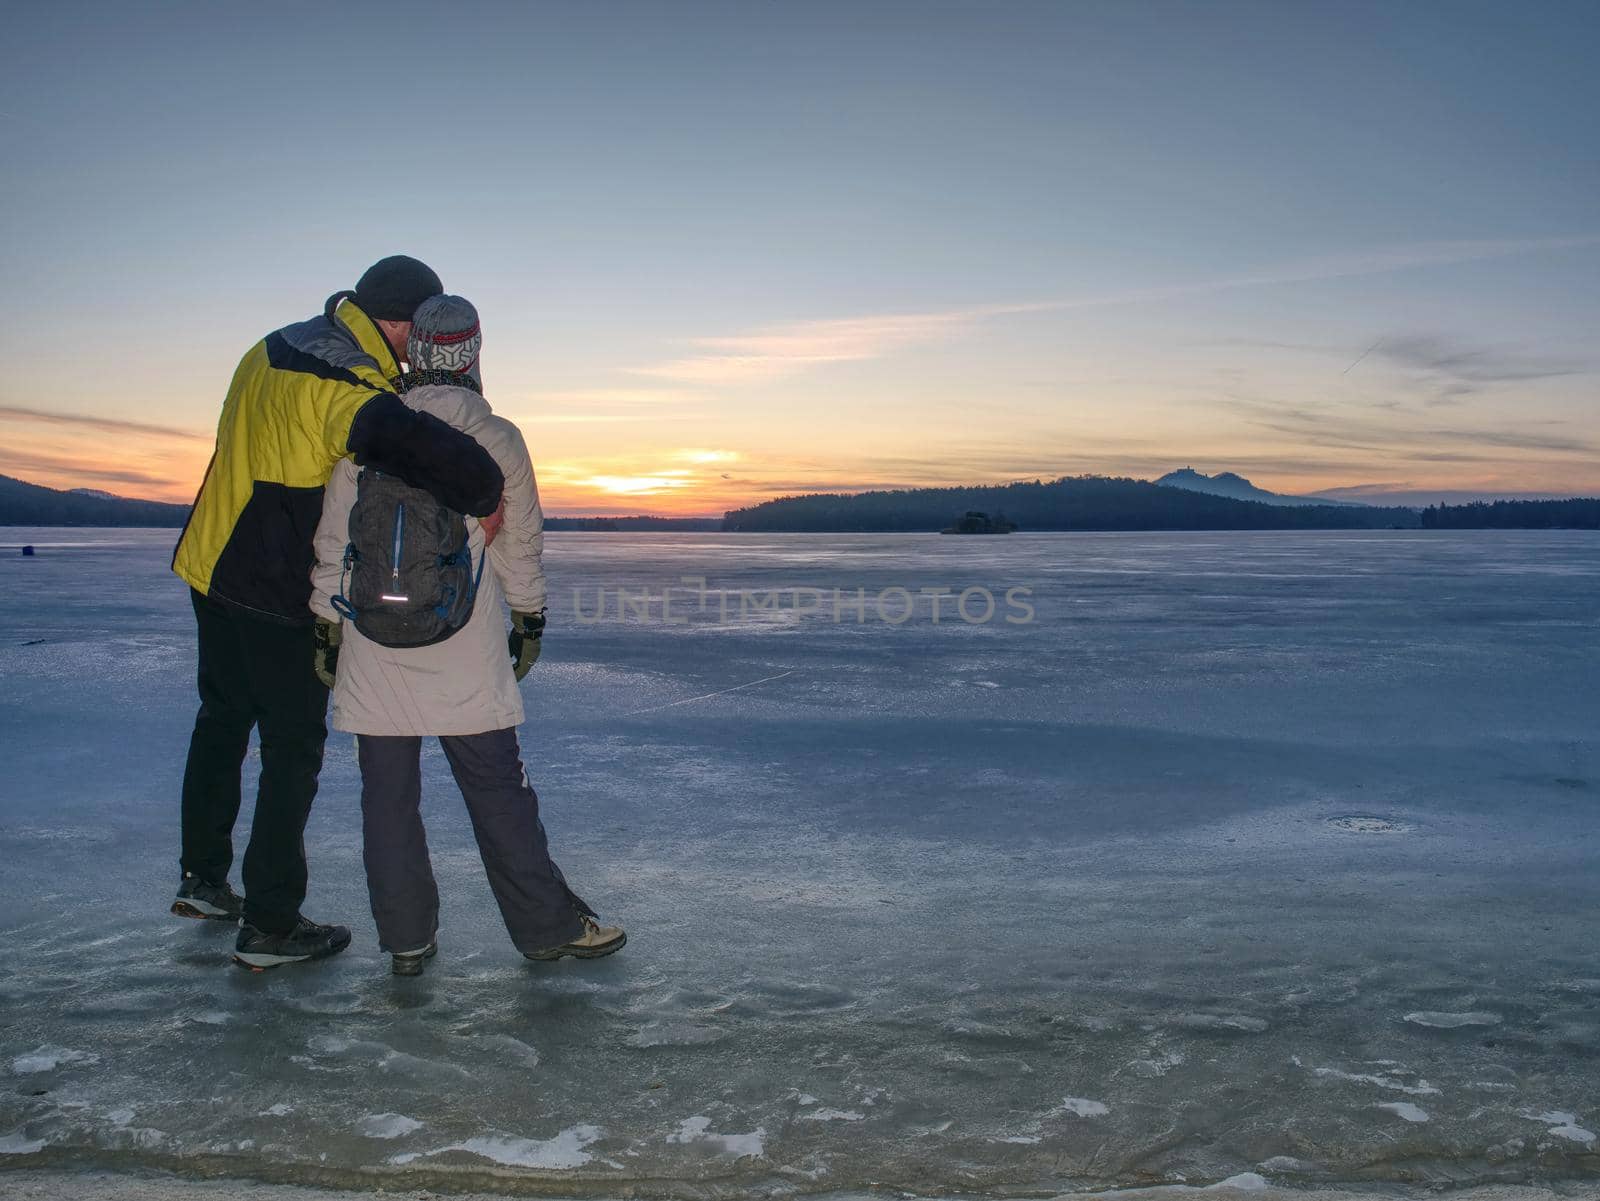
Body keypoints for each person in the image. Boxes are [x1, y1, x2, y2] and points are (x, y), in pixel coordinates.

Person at [171, 257, 505, 971]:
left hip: (210, 561)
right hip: (271, 585)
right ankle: (270, 923)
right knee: (293, 750)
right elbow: (410, 443)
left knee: (222, 719)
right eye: (416, 336)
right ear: (398, 324)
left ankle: (202, 876)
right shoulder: (349, 381)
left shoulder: (275, 343)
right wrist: (484, 483)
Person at [310, 294, 623, 977]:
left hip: (376, 644)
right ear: (473, 355)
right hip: (465, 645)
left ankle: (406, 942)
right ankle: (545, 928)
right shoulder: (498, 437)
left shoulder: (372, 432)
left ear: (416, 355)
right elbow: (521, 544)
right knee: (497, 793)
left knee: (388, 801)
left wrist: (328, 626)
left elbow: (335, 544)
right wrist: (528, 618)